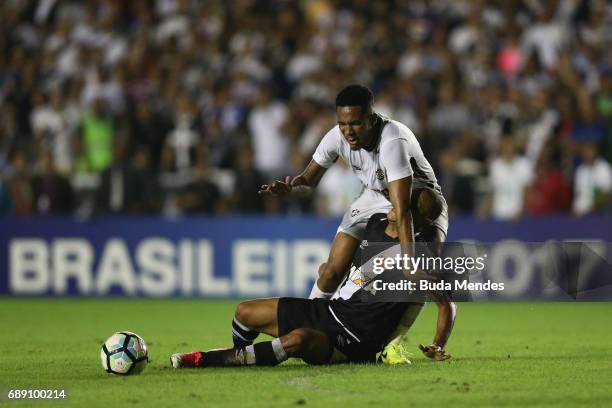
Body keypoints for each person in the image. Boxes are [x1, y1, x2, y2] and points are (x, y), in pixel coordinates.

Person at [258, 84, 449, 361]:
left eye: (355, 123)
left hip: (421, 203)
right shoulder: (337, 136)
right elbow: (309, 179)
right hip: (373, 196)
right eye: (343, 123)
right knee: (330, 272)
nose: (348, 130)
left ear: (371, 119)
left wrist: (408, 263)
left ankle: (392, 344)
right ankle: (310, 324)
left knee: (414, 278)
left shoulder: (392, 140)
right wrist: (291, 187)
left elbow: (403, 209)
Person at [170, 207, 455, 368]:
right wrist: (331, 272)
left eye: (405, 202)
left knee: (298, 340)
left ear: (413, 218)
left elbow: (447, 304)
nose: (397, 201)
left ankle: (207, 359)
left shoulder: (418, 261)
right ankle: (239, 353)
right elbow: (349, 264)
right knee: (244, 311)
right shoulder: (375, 222)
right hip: (328, 310)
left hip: (354, 341)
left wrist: (437, 344)